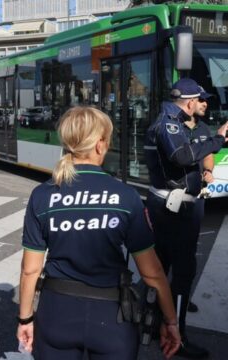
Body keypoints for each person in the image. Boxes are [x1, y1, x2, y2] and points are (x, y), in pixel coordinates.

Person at [17, 106, 181, 360]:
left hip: (56, 314)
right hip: (111, 318)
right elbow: (153, 273)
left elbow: (30, 270)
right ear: (99, 145)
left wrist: (25, 318)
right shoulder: (125, 196)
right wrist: (170, 321)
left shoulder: (43, 195)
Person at [144, 78, 228, 359]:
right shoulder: (168, 123)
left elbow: (199, 153)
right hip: (173, 209)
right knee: (181, 270)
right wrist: (220, 139)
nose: (204, 103)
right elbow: (181, 156)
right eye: (201, 99)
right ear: (190, 101)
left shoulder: (181, 123)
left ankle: (158, 318)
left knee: (169, 264)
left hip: (183, 207)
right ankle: (175, 334)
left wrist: (208, 162)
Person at [184, 88, 215, 314]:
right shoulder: (174, 128)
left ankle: (182, 297)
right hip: (174, 199)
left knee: (189, 251)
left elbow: (208, 153)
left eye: (207, 101)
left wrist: (208, 171)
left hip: (196, 198)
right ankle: (156, 299)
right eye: (202, 100)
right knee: (166, 253)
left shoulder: (203, 128)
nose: (205, 104)